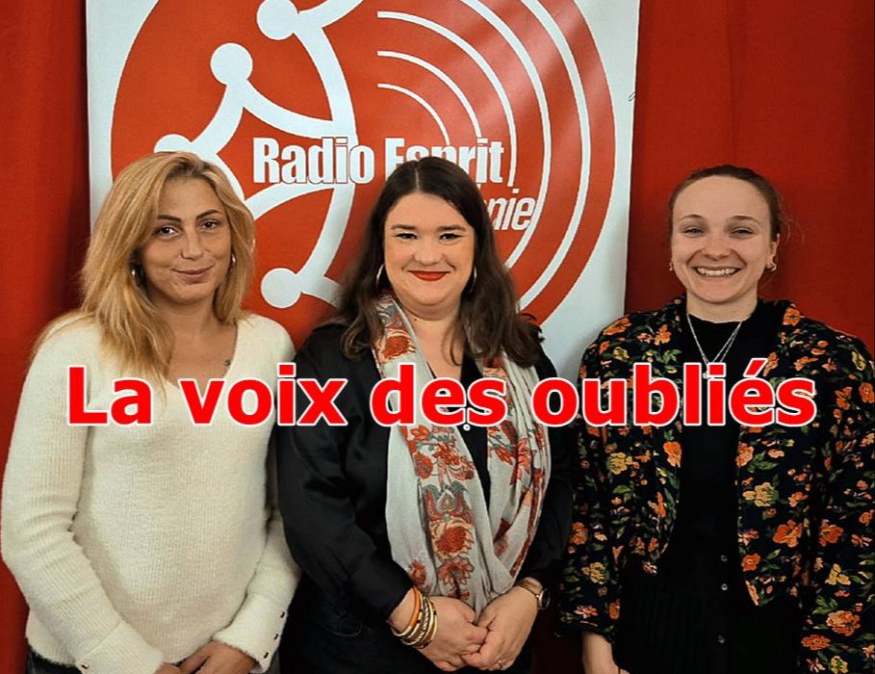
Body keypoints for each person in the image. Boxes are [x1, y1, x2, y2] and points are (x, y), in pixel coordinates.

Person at [557, 164, 874, 674]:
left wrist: (833, 659)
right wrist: (595, 643)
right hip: (649, 635)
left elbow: (857, 519)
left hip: (779, 643)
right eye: (694, 229)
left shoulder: (831, 362)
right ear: (671, 246)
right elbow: (592, 506)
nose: (716, 248)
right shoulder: (621, 353)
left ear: (772, 248)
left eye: (741, 231)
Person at [1, 152, 299, 674]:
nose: (194, 249)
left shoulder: (270, 347)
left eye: (210, 225)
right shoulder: (75, 350)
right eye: (166, 230)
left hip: (228, 660)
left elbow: (289, 512)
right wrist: (128, 662)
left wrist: (251, 637)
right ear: (131, 246)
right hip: (86, 662)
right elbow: (31, 529)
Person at [275, 157, 572, 674]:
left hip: (496, 646)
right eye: (407, 235)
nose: (428, 254)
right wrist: (415, 618)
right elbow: (312, 509)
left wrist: (531, 592)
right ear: (381, 247)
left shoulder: (521, 355)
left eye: (449, 235)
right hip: (362, 649)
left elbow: (563, 478)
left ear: (477, 245)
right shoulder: (332, 358)